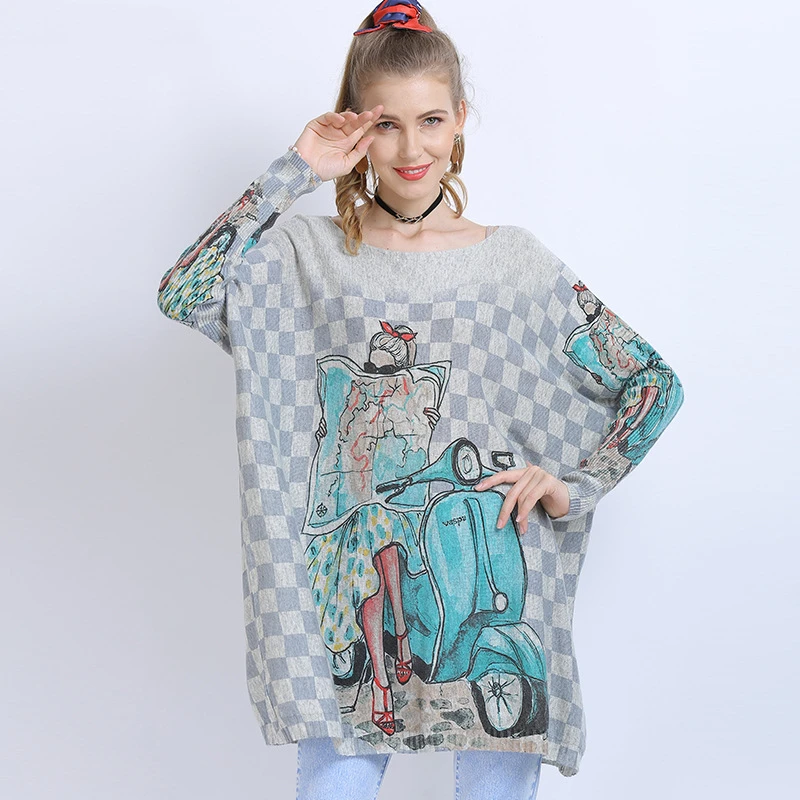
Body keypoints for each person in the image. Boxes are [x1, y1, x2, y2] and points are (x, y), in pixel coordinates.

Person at [156, 2, 685, 798]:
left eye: (431, 120)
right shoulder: (304, 258)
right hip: (353, 546)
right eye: (388, 125)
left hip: (492, 545)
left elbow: (651, 383)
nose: (412, 150)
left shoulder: (514, 265)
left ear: (460, 118)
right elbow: (185, 291)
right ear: (357, 127)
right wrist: (296, 168)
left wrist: (574, 484)